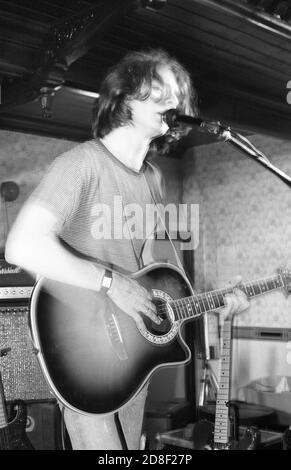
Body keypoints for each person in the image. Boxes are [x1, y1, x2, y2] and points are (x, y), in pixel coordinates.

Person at [5, 48, 249, 450]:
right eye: (157, 92)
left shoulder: (153, 181)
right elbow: (21, 245)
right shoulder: (81, 163)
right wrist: (110, 283)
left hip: (132, 358)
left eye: (176, 95)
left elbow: (150, 277)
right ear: (124, 98)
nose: (172, 103)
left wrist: (218, 302)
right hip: (84, 353)